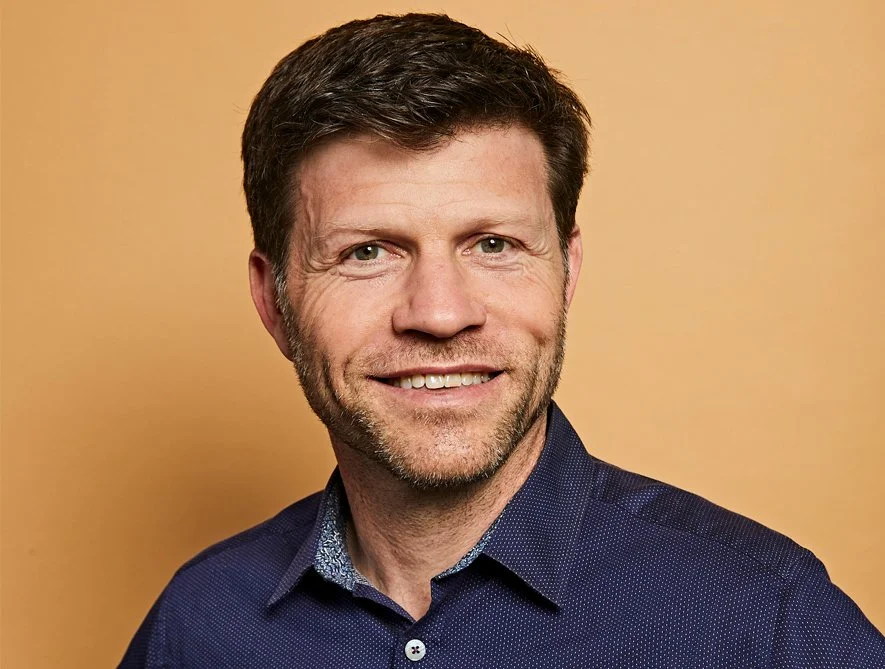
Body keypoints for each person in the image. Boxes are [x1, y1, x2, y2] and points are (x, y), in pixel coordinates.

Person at [119, 13, 884, 668]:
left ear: (565, 271)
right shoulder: (198, 625)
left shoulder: (759, 620)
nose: (440, 313)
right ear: (274, 301)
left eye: (492, 244)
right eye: (367, 252)